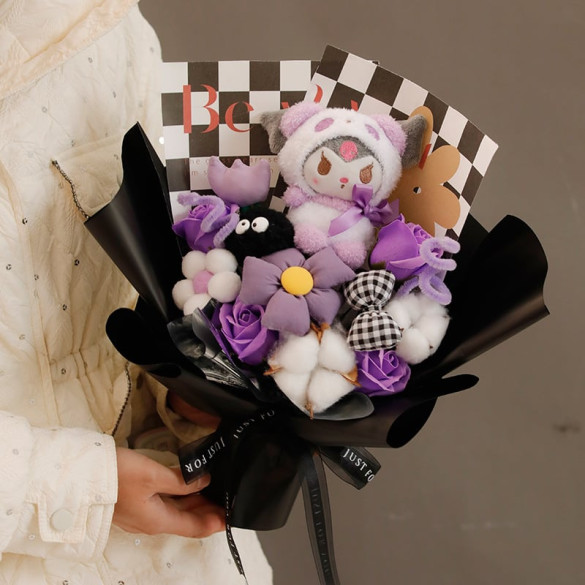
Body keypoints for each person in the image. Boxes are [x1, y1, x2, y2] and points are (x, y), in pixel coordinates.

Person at [0, 1, 273, 583]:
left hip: (177, 551)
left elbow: (148, 285)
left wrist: (198, 393)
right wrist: (82, 488)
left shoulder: (108, 26)